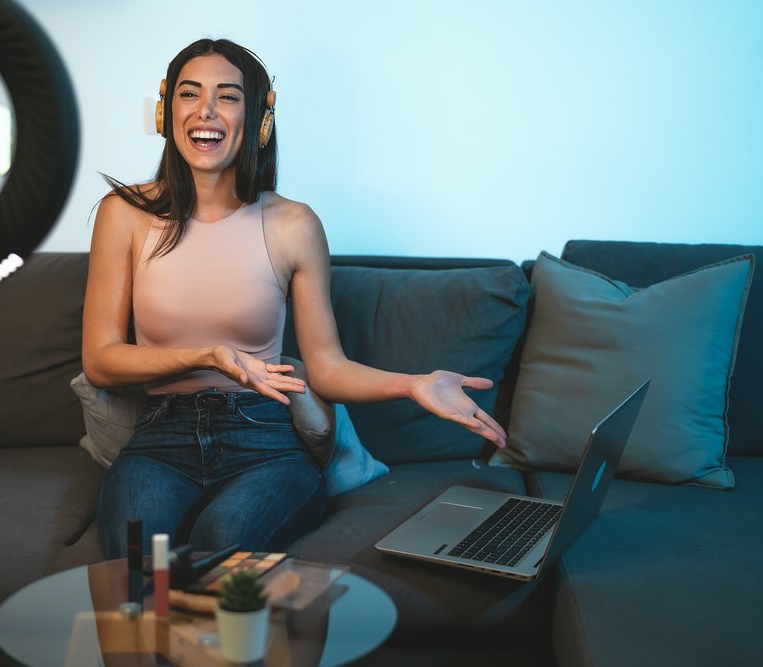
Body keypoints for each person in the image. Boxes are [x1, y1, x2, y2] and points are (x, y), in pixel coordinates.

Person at [83, 38, 507, 559]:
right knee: (136, 559)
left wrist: (414, 384)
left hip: (264, 438)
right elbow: (100, 361)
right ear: (166, 112)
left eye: (228, 96)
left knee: (225, 550)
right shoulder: (124, 214)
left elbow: (327, 369)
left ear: (259, 120)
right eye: (189, 94)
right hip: (160, 437)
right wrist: (208, 355)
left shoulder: (294, 224)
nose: (206, 110)